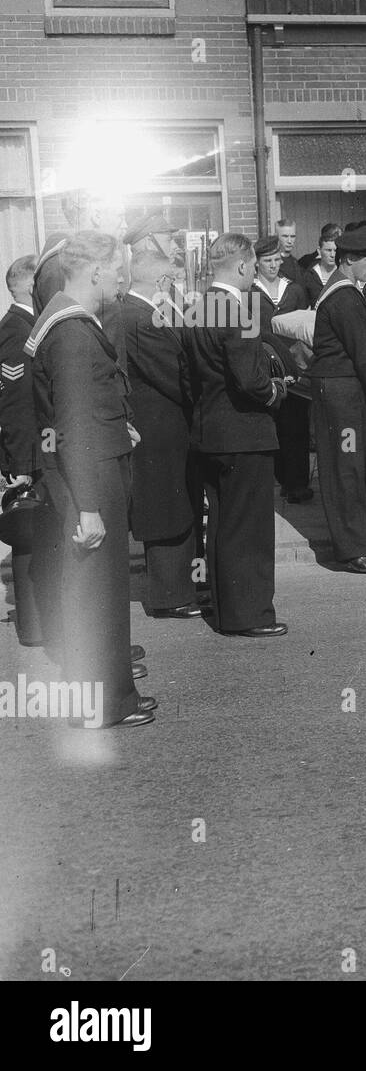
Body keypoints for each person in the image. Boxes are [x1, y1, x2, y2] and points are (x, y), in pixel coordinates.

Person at [25, 231, 155, 726]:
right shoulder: (75, 332)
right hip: (92, 479)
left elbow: (76, 408)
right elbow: (73, 425)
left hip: (89, 470)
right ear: (96, 271)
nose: (121, 278)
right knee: (98, 592)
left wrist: (117, 422)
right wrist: (88, 506)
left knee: (93, 589)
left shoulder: (60, 320)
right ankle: (105, 706)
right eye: (117, 270)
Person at [183, 232, 290, 636]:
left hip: (210, 432)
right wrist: (278, 390)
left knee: (224, 524)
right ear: (245, 266)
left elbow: (189, 375)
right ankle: (250, 616)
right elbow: (251, 381)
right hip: (245, 435)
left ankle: (228, 610)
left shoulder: (197, 309)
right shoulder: (239, 311)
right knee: (250, 529)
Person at [119, 246, 206, 620]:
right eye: (171, 280)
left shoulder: (142, 313)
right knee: (168, 510)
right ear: (160, 281)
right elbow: (172, 374)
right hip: (160, 431)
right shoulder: (142, 319)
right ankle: (170, 596)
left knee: (176, 506)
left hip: (161, 429)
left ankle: (181, 587)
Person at [308, 224, 366, 574]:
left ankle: (352, 539)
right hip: (342, 397)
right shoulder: (346, 297)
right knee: (349, 469)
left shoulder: (338, 290)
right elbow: (360, 356)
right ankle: (353, 549)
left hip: (335, 391)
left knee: (346, 467)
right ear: (350, 259)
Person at [0, 255, 42, 645]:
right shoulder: (16, 328)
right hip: (29, 452)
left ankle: (40, 623)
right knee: (30, 539)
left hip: (33, 448)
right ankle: (34, 627)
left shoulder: (26, 322)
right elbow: (15, 401)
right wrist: (20, 461)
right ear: (29, 285)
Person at [252, 235, 313, 503]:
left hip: (294, 370)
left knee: (296, 426)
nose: (274, 265)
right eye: (268, 261)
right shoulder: (249, 293)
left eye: (277, 260)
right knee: (271, 427)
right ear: (256, 263)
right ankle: (278, 479)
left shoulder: (295, 290)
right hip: (264, 370)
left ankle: (297, 484)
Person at [301, 223, 342, 305]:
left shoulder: (343, 273)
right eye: (328, 250)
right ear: (319, 251)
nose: (332, 255)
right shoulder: (309, 276)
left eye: (335, 250)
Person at [275, 219, 306, 287]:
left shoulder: (296, 264)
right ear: (276, 237)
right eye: (285, 236)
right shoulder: (271, 263)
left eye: (292, 236)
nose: (289, 241)